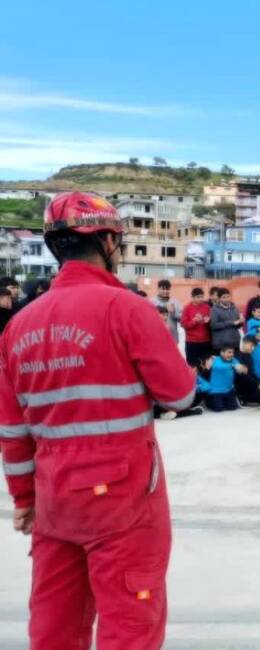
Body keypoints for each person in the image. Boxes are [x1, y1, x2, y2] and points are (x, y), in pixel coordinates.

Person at [0, 191, 195, 648]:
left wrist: (26, 499)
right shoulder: (127, 309)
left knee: (55, 621)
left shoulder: (19, 326)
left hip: (54, 498)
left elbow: (12, 431)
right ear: (109, 242)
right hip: (123, 497)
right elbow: (182, 395)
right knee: (130, 620)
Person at [207, 347, 247, 411]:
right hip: (215, 391)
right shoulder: (215, 359)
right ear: (222, 353)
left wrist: (242, 368)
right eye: (229, 352)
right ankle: (210, 401)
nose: (232, 354)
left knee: (232, 408)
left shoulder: (234, 360)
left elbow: (242, 370)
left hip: (228, 390)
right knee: (218, 409)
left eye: (233, 352)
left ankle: (225, 400)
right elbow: (220, 367)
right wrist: (233, 366)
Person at [181, 287, 212, 365]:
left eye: (202, 296)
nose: (200, 299)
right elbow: (183, 324)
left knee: (206, 365)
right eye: (198, 297)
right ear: (192, 297)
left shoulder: (207, 307)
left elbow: (211, 321)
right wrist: (194, 321)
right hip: (192, 342)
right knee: (192, 365)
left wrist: (208, 321)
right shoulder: (187, 308)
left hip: (205, 341)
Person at [211, 287, 243, 353]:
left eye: (228, 296)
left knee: (235, 362)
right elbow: (213, 325)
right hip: (221, 344)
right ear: (219, 299)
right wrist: (231, 323)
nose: (226, 299)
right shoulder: (215, 309)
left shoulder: (234, 308)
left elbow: (237, 325)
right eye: (224, 297)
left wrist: (241, 322)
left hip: (235, 342)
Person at [151, 279, 182, 344]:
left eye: (167, 289)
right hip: (156, 337)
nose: (165, 291)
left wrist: (173, 313)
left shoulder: (175, 302)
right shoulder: (152, 302)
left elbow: (181, 319)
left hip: (172, 337)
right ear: (158, 289)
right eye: (163, 289)